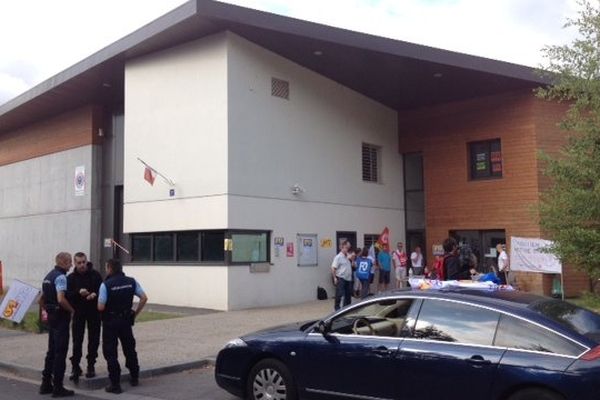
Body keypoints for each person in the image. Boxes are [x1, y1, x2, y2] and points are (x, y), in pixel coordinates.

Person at [98, 259, 148, 394]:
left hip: (110, 321)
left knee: (111, 352)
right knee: (129, 348)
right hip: (126, 320)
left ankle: (115, 384)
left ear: (109, 268)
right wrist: (135, 314)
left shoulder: (105, 285)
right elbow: (144, 298)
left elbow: (101, 306)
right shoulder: (131, 281)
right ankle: (134, 376)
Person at [39, 252, 76, 397]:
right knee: (60, 352)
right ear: (63, 262)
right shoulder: (61, 277)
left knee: (51, 351)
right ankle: (58, 387)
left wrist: (47, 311)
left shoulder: (48, 276)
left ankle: (46, 383)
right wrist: (72, 310)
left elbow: (41, 300)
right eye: (70, 262)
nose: (71, 265)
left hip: (52, 316)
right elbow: (61, 299)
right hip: (61, 317)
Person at [67, 254, 103, 381]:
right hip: (78, 312)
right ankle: (75, 367)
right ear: (74, 264)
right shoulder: (71, 278)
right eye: (79, 263)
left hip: (93, 311)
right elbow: (67, 295)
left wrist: (95, 294)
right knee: (77, 340)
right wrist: (78, 292)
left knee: (94, 339)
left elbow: (102, 291)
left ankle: (91, 365)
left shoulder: (95, 275)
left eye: (84, 262)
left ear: (87, 261)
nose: (82, 265)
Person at [331, 240, 353, 311]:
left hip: (348, 278)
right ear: (342, 248)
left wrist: (352, 260)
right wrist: (334, 278)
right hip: (341, 278)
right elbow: (333, 268)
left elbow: (354, 266)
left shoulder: (348, 256)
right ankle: (337, 309)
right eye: (346, 248)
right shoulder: (338, 257)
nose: (347, 249)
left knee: (348, 295)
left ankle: (346, 309)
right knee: (339, 294)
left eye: (348, 248)